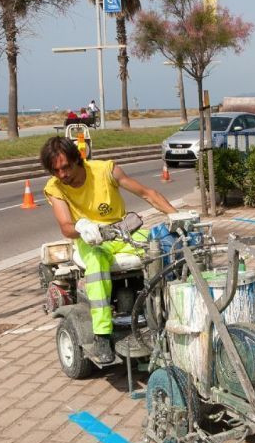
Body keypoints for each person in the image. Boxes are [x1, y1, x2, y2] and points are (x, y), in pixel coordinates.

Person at [40, 136, 178, 363]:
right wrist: (81, 227)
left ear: (78, 159)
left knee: (161, 247)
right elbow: (65, 226)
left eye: (66, 167)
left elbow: (147, 193)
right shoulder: (55, 188)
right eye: (56, 170)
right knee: (96, 263)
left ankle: (166, 314)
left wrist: (176, 215)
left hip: (123, 232)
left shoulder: (106, 171)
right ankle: (102, 334)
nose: (62, 174)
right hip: (89, 239)